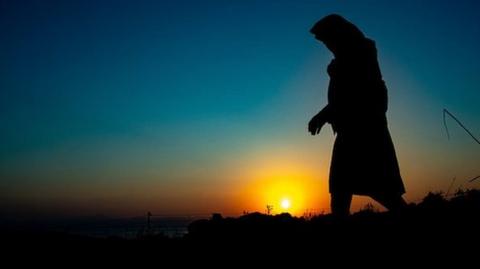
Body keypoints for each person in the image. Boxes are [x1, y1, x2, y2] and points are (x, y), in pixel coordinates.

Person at [308, 14, 407, 216]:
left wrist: (324, 114)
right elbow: (344, 99)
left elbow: (358, 95)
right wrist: (326, 114)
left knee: (377, 189)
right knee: (341, 189)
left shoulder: (360, 58)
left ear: (340, 36)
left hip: (365, 134)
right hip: (350, 133)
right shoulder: (350, 60)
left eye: (328, 39)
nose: (327, 45)